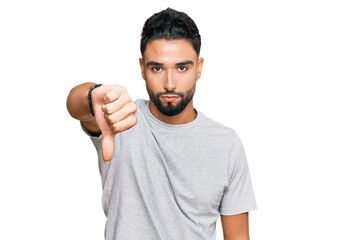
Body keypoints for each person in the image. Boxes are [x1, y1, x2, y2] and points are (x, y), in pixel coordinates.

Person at [66, 8, 257, 240]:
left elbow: (238, 237)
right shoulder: (120, 120)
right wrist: (92, 96)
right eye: (157, 68)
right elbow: (77, 106)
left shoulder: (227, 144)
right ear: (142, 68)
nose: (169, 83)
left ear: (199, 68)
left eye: (182, 68)